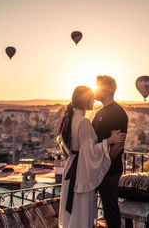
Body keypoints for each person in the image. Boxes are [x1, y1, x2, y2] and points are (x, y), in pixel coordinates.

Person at [59, 86, 126, 228]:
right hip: (81, 171)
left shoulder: (71, 119)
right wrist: (110, 140)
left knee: (74, 212)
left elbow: (75, 149)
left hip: (72, 168)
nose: (94, 101)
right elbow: (88, 152)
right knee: (82, 212)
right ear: (85, 101)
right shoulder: (83, 122)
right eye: (91, 98)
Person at [92, 76, 128, 228]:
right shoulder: (100, 112)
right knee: (88, 205)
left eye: (98, 87)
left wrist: (104, 165)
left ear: (109, 89)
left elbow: (118, 145)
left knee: (110, 208)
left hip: (109, 169)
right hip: (98, 167)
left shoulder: (117, 113)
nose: (95, 90)